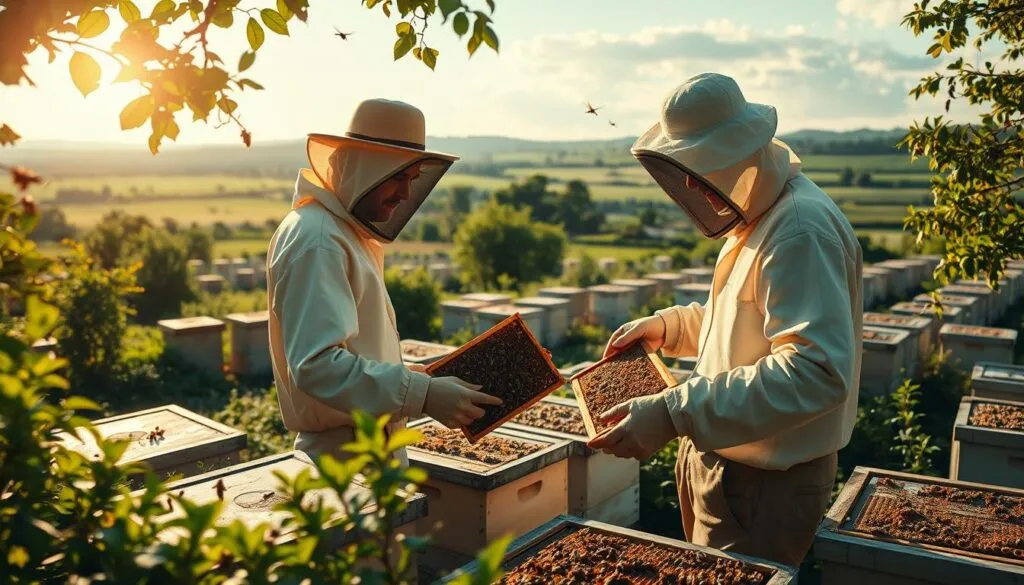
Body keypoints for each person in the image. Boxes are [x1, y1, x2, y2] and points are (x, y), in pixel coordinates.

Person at [589, 73, 863, 566]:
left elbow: (816, 371)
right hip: (725, 469)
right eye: (685, 169)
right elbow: (744, 322)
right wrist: (671, 328)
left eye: (703, 167)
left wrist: (674, 411)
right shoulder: (763, 217)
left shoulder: (798, 231)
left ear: (743, 152)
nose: (691, 184)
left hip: (762, 487)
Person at [267, 98, 501, 466]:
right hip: (345, 458)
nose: (406, 194)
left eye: (413, 180)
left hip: (372, 447)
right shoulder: (319, 241)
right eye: (397, 178)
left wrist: (425, 379)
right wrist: (423, 394)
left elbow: (357, 350)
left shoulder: (341, 234)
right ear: (363, 169)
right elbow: (317, 365)